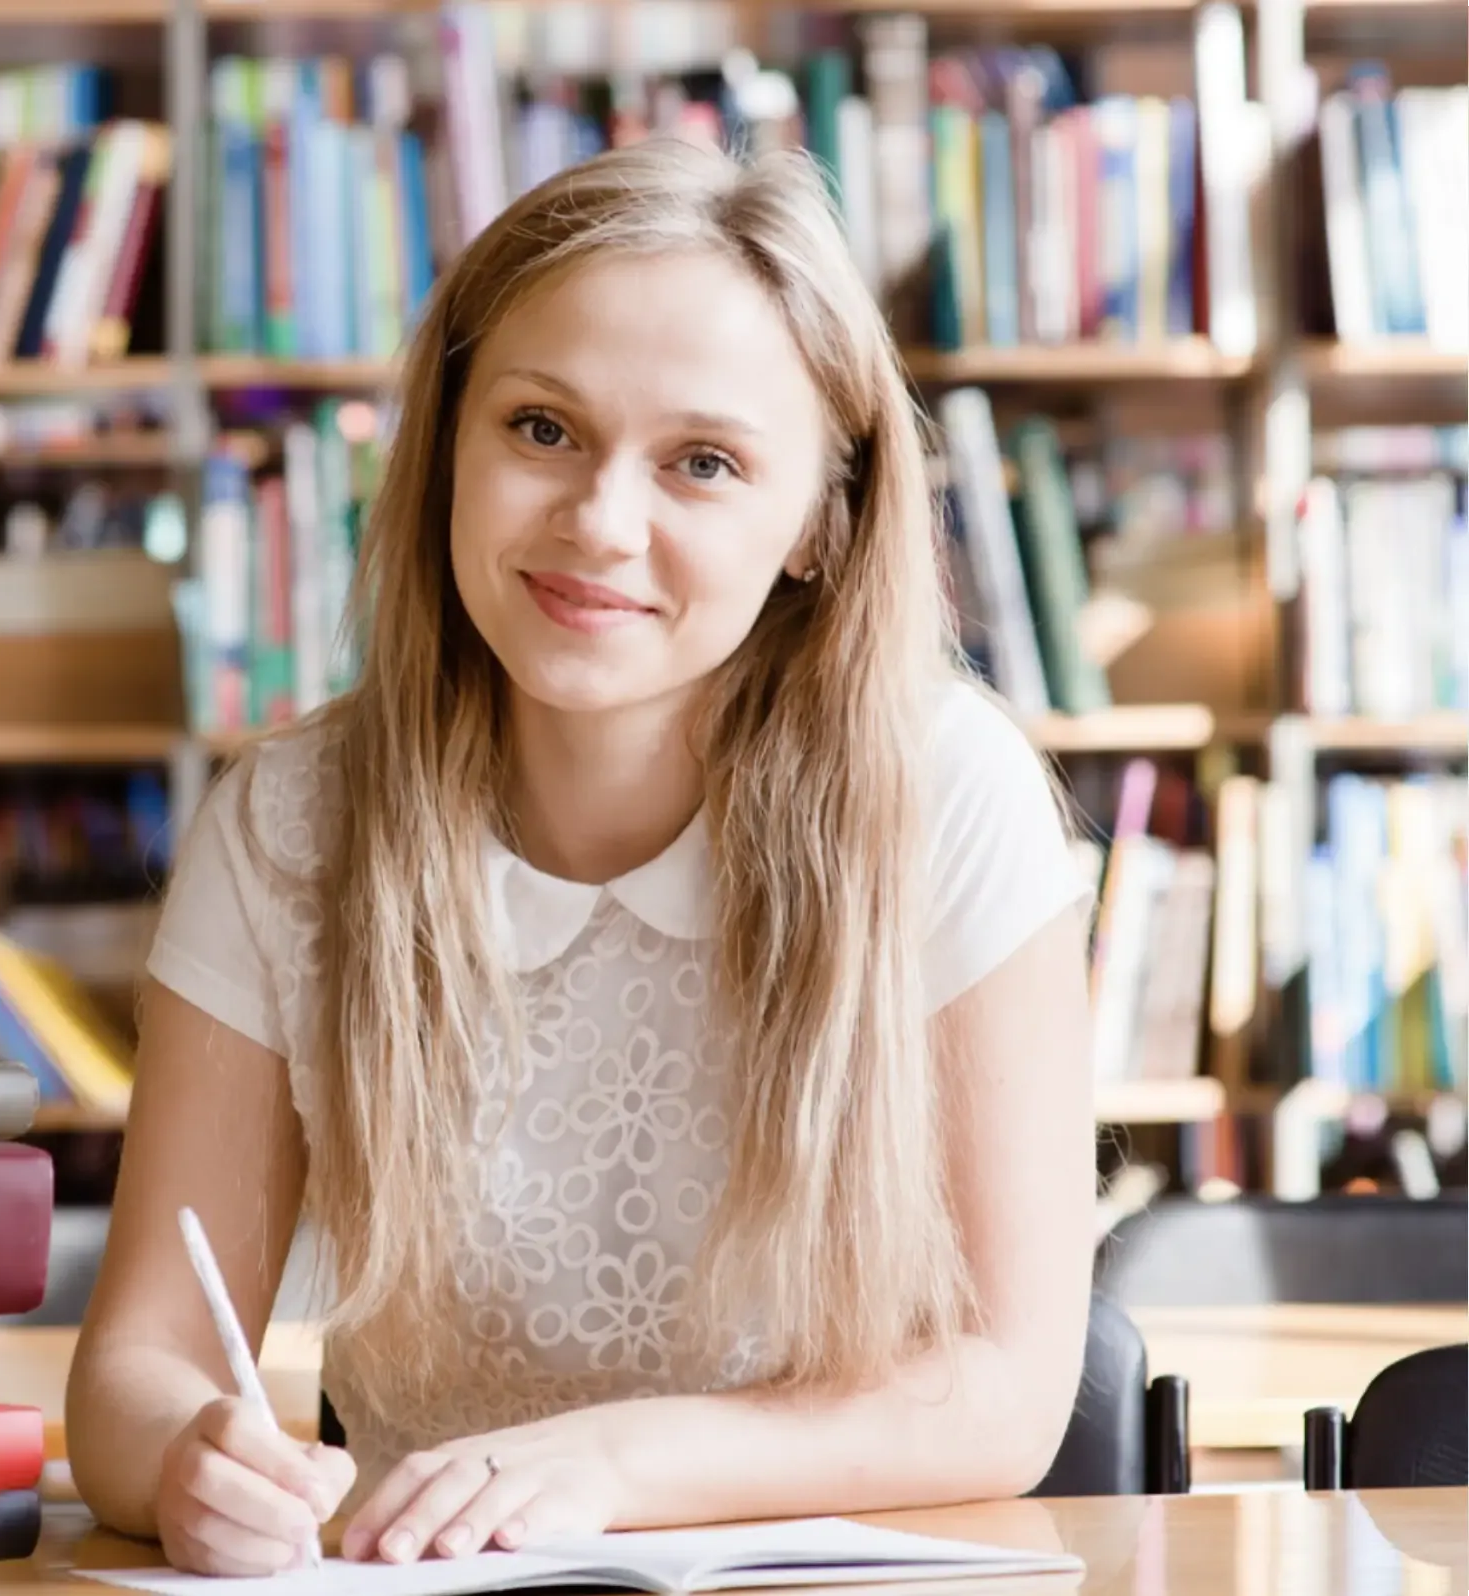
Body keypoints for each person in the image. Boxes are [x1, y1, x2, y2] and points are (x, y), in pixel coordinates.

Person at [63, 135, 1097, 1578]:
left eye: (705, 462)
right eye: (541, 429)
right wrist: (189, 1458)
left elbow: (1006, 1391)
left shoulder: (947, 794)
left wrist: (612, 1459)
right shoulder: (290, 824)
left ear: (819, 524)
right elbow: (134, 1372)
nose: (602, 525)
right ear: (446, 447)